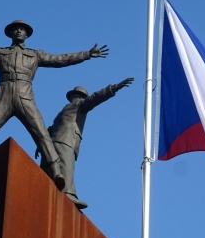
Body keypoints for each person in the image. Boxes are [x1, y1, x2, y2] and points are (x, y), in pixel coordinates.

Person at [0, 20, 108, 190]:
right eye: (16, 29)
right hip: (3, 95)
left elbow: (60, 59)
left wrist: (86, 54)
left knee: (42, 134)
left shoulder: (35, 55)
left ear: (27, 34)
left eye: (22, 29)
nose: (19, 31)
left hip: (25, 96)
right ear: (11, 33)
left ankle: (56, 171)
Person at [37, 78, 134, 209]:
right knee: (62, 167)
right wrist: (41, 145)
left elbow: (96, 98)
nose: (75, 97)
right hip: (62, 141)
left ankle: (55, 192)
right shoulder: (71, 108)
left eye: (76, 95)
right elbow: (51, 128)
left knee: (57, 167)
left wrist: (113, 88)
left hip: (59, 142)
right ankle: (64, 193)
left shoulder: (72, 108)